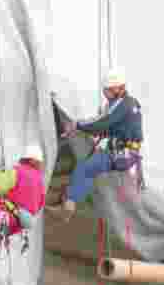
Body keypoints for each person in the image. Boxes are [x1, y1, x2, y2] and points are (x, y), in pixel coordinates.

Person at [54, 69, 143, 220]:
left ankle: (68, 206)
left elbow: (101, 122)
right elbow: (113, 127)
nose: (104, 94)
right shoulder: (130, 104)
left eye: (106, 91)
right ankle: (69, 202)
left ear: (115, 88)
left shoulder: (122, 104)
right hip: (128, 154)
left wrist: (78, 125)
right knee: (89, 170)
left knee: (83, 168)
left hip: (120, 154)